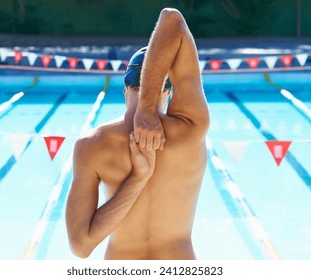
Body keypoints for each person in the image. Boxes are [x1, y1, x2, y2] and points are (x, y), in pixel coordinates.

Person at [66, 8, 210, 260]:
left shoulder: (91, 145)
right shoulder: (191, 129)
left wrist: (135, 180)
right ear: (168, 92)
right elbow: (172, 18)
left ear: (125, 90)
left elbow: (81, 247)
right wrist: (140, 175)